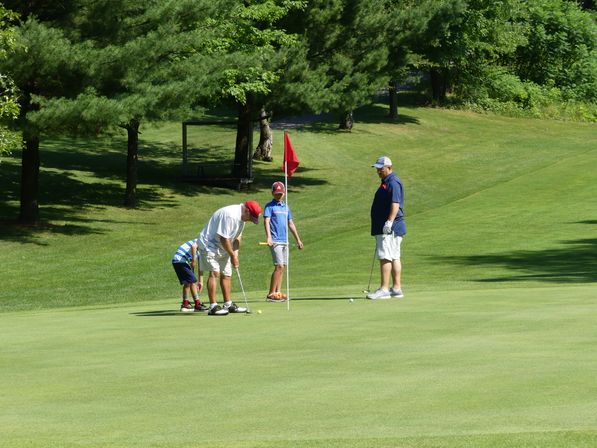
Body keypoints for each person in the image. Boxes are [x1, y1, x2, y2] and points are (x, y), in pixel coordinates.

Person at [197, 200, 262, 315]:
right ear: (247, 211)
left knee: (227, 274)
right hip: (209, 245)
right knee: (214, 273)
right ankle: (213, 306)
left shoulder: (242, 218)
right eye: (251, 218)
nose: (250, 221)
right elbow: (224, 238)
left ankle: (228, 304)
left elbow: (237, 237)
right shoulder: (230, 215)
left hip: (223, 246)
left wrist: (235, 254)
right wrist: (232, 255)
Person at [367, 156, 406, 300]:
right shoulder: (387, 181)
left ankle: (384, 289)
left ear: (389, 167)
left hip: (390, 227)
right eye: (377, 168)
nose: (378, 171)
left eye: (380, 168)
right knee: (394, 256)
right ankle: (396, 288)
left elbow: (395, 204)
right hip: (391, 227)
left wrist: (389, 222)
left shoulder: (393, 182)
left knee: (385, 256)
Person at [263, 181, 304, 302]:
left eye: (280, 193)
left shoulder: (286, 207)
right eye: (276, 193)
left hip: (285, 240)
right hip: (275, 240)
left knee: (283, 267)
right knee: (279, 266)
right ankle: (271, 294)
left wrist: (298, 239)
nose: (279, 195)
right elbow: (266, 222)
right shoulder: (269, 206)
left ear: (284, 193)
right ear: (272, 193)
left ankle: (278, 292)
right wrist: (269, 237)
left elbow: (290, 223)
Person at [172, 238, 207, 313]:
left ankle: (185, 303)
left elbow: (201, 267)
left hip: (178, 261)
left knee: (187, 283)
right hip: (180, 260)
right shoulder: (203, 240)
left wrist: (201, 282)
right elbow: (194, 246)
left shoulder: (203, 251)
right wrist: (194, 260)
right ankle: (197, 304)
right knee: (192, 282)